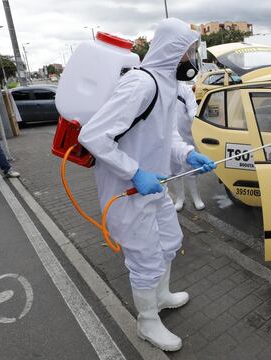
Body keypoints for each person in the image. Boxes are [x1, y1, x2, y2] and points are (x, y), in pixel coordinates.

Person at [78, 18, 215, 352]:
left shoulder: (167, 84)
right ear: (173, 50)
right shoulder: (140, 84)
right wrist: (135, 172)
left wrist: (187, 154)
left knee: (169, 241)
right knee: (144, 258)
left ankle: (162, 296)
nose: (192, 59)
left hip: (155, 186)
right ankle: (147, 322)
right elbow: (93, 135)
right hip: (127, 191)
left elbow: (164, 134)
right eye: (189, 52)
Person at [172, 83, 205, 211]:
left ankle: (196, 196)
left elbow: (193, 110)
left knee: (191, 169)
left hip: (185, 136)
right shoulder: (159, 88)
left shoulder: (185, 89)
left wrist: (196, 119)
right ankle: (180, 198)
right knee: (174, 170)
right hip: (168, 139)